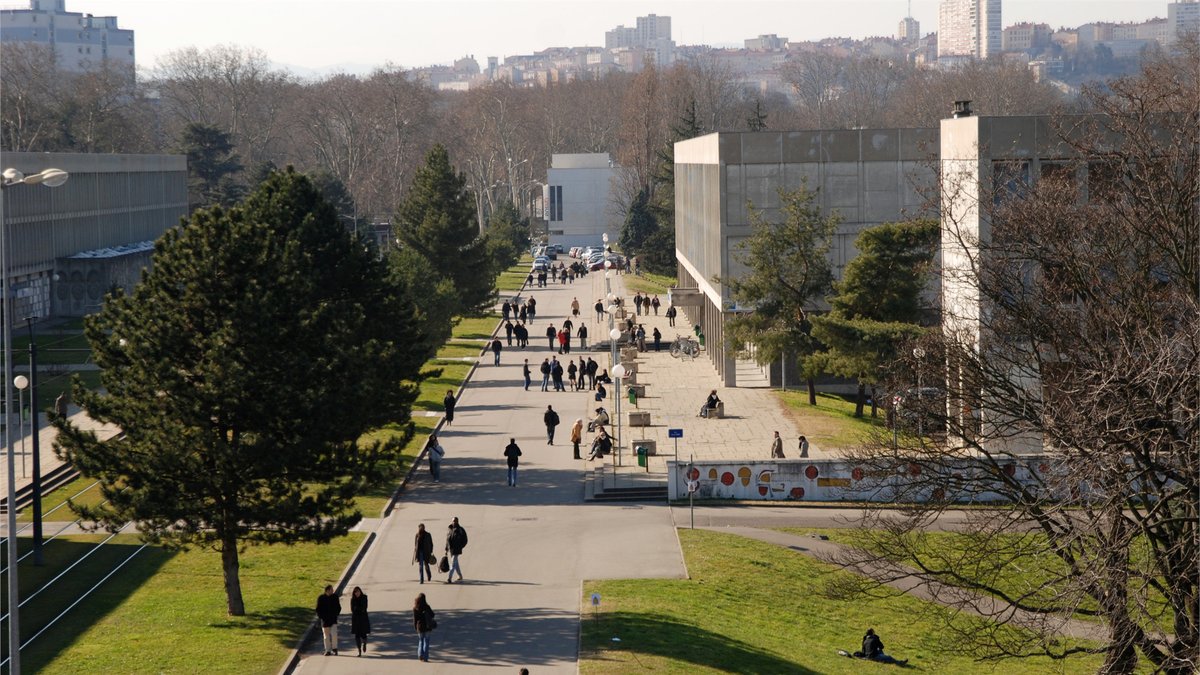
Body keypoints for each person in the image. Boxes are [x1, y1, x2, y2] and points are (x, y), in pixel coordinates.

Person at [316, 584, 341, 656]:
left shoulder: (335, 597)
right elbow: (318, 609)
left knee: (334, 634)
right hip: (325, 620)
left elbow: (338, 607)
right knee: (326, 636)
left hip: (333, 619)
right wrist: (321, 617)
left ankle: (335, 649)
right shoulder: (321, 598)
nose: (333, 591)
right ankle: (327, 650)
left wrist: (336, 614)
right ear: (327, 590)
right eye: (331, 589)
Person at [413, 593, 435, 662]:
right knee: (426, 642)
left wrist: (415, 627)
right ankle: (425, 657)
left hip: (420, 627)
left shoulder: (415, 608)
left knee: (421, 641)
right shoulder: (427, 606)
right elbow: (432, 615)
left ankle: (420, 655)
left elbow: (415, 619)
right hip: (427, 627)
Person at [445, 517, 467, 582]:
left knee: (453, 564)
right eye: (453, 521)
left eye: (455, 521)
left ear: (458, 522)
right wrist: (446, 548)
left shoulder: (460, 530)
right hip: (451, 550)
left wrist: (460, 546)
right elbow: (447, 540)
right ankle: (460, 576)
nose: (454, 522)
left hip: (456, 550)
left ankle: (449, 578)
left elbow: (465, 540)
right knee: (456, 563)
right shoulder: (450, 529)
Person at [350, 587, 371, 656]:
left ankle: (364, 644)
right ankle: (359, 650)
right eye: (355, 592)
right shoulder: (353, 599)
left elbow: (364, 607)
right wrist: (358, 609)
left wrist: (357, 608)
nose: (357, 593)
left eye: (358, 591)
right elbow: (352, 609)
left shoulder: (364, 597)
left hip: (363, 619)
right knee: (357, 636)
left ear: (360, 591)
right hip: (356, 619)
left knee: (363, 634)